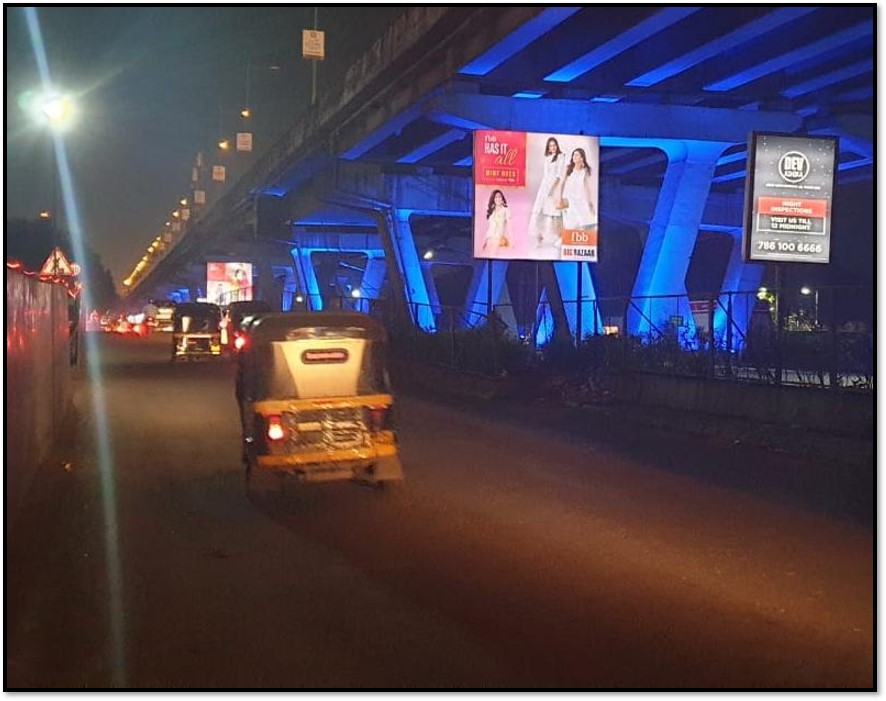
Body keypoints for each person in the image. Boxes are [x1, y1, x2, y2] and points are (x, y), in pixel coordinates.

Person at [529, 137, 566, 247]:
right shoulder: (547, 158)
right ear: (548, 147)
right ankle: (538, 238)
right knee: (538, 212)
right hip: (544, 187)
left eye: (554, 145)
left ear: (557, 146)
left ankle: (561, 237)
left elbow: (558, 176)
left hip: (553, 187)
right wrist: (544, 189)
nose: (553, 147)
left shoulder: (561, 156)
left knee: (554, 214)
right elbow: (546, 176)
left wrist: (551, 189)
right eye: (550, 146)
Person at [557, 147, 597, 233]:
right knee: (572, 221)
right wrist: (559, 198)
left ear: (582, 158)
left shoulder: (585, 171)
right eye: (573, 155)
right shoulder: (568, 168)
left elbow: (587, 187)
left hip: (579, 198)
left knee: (586, 219)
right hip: (568, 197)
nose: (574, 156)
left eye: (577, 155)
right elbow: (562, 183)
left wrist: (590, 202)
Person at [482, 189, 511, 255]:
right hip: (489, 238)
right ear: (493, 199)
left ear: (502, 198)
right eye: (496, 197)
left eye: (499, 196)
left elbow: (509, 227)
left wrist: (512, 241)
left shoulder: (506, 210)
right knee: (488, 255)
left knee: (493, 254)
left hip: (498, 238)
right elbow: (490, 228)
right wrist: (485, 241)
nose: (498, 198)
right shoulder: (492, 211)